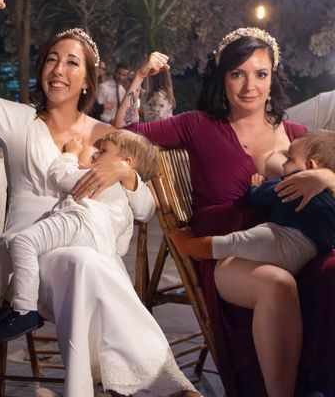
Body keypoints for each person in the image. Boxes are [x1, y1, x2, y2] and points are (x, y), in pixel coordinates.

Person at [0, 0, 198, 397]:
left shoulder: (109, 136)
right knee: (84, 266)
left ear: (88, 79)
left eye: (72, 63)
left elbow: (145, 210)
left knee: (82, 263)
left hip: (88, 256)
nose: (59, 70)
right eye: (52, 60)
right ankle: (164, 381)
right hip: (30, 266)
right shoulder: (19, 121)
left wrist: (124, 174)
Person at [99, 26, 335, 395]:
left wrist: (324, 177)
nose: (249, 86)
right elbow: (123, 132)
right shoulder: (198, 125)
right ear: (222, 77)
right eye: (237, 74)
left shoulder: (297, 135)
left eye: (260, 74)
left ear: (273, 77)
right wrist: (140, 77)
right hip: (226, 254)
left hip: (292, 245)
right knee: (277, 283)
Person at [0, 129, 159, 344]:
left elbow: (58, 175)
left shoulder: (96, 177)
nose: (95, 154)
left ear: (125, 161)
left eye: (103, 151)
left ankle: (24, 310)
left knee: (23, 241)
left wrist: (71, 153)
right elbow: (138, 219)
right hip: (91, 234)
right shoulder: (124, 195)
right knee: (10, 243)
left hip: (82, 222)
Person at [169, 130, 335, 276]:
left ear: (310, 166)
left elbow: (257, 197)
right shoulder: (330, 196)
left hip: (282, 239)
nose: (283, 164)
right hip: (306, 256)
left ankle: (188, 246)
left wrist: (256, 187)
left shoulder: (295, 183)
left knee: (233, 242)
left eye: (289, 159)